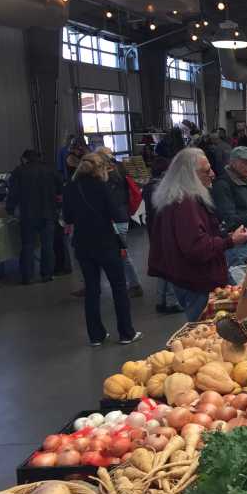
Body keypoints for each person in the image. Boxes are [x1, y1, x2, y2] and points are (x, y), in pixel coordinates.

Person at [149, 149, 247, 321]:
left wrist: (225, 236)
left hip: (191, 280)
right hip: (197, 282)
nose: (212, 174)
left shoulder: (177, 198)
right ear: (189, 175)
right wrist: (230, 241)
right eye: (206, 171)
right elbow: (196, 248)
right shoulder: (185, 203)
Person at [62, 153, 141, 346]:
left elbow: (68, 218)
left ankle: (96, 336)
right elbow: (117, 214)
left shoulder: (70, 188)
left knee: (92, 290)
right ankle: (126, 333)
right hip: (106, 243)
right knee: (118, 287)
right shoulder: (102, 187)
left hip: (82, 245)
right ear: (99, 168)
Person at [6, 149, 62, 285]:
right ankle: (47, 275)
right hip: (48, 213)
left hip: (27, 215)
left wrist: (10, 209)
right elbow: (60, 189)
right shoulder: (50, 170)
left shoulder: (19, 171)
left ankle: (27, 277)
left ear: (25, 158)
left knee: (27, 246)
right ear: (39, 157)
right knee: (47, 246)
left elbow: (13, 193)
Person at [97, 148, 143, 297]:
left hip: (113, 217)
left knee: (121, 253)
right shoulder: (121, 170)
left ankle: (134, 284)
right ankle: (131, 284)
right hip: (122, 215)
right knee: (121, 251)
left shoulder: (105, 176)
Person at [141, 157, 183, 314]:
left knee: (162, 267)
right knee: (172, 266)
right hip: (166, 231)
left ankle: (160, 300)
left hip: (153, 230)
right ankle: (172, 301)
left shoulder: (148, 187)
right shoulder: (166, 189)